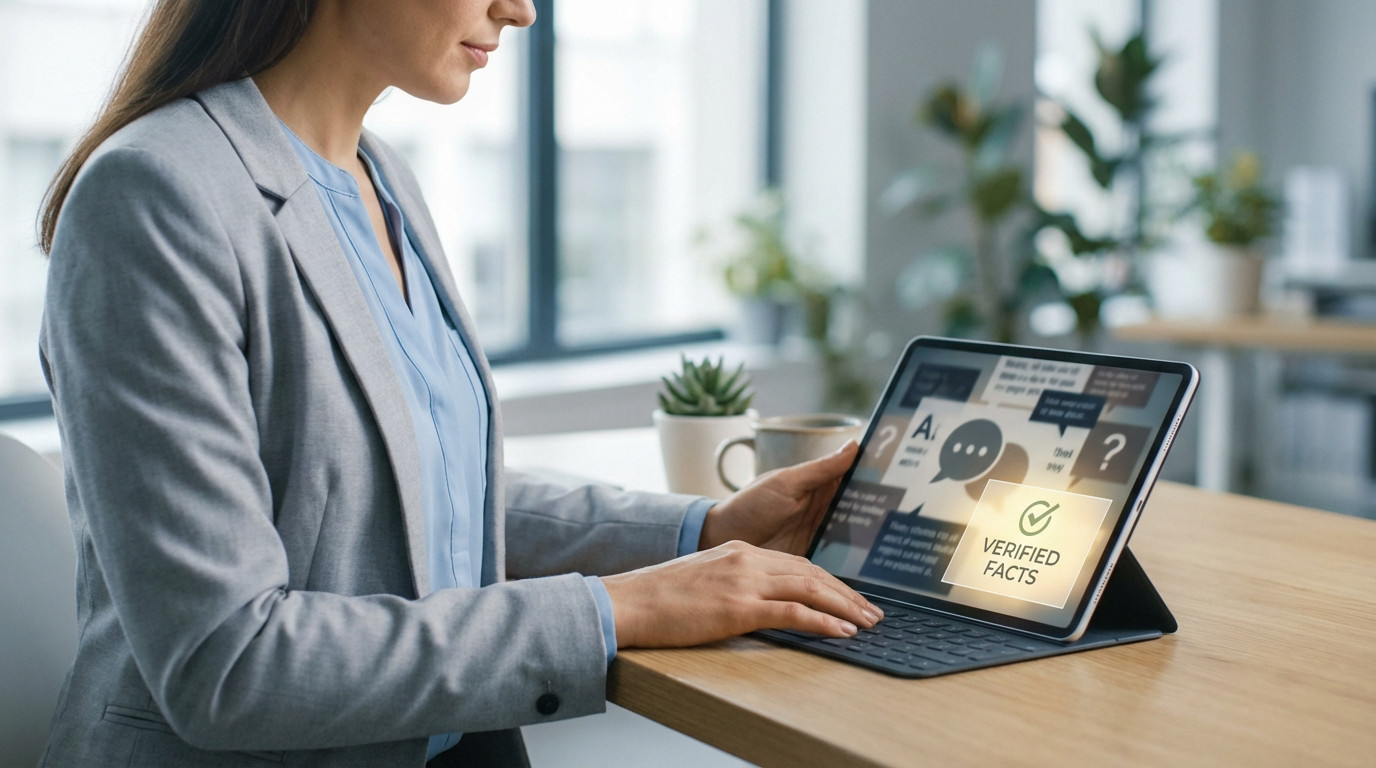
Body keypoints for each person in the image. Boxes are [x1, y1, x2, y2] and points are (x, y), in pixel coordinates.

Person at [35, 1, 881, 765]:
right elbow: (230, 664)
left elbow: (420, 490)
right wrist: (615, 610)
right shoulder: (155, 195)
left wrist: (703, 531)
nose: (519, 12)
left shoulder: (382, 176)